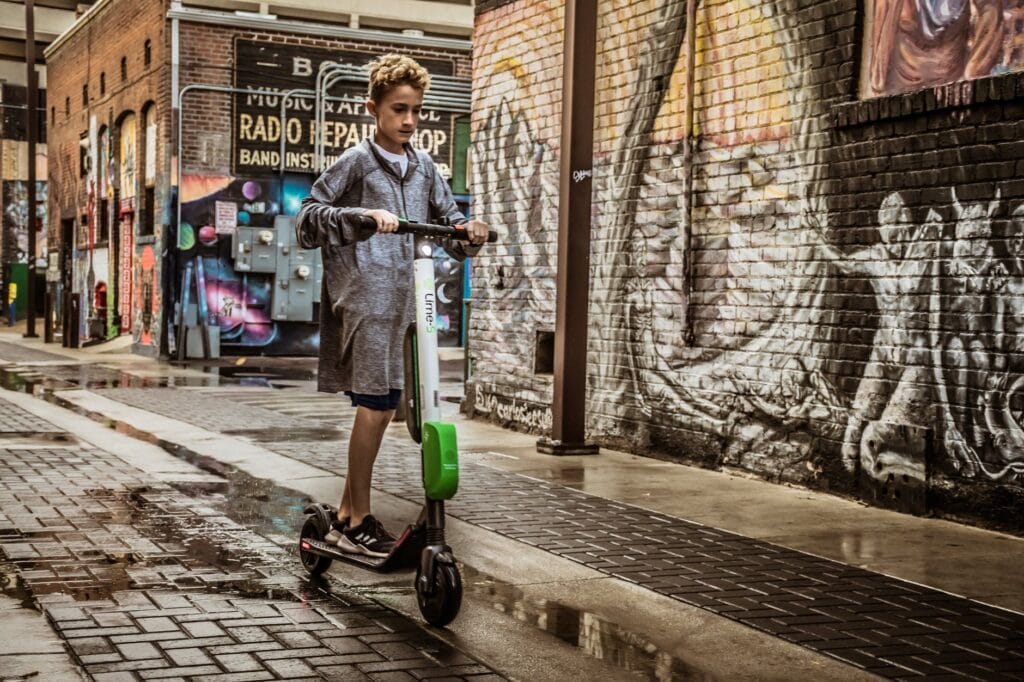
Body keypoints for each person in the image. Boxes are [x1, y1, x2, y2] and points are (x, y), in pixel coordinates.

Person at [295, 54, 489, 558]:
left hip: (410, 300)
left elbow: (449, 221)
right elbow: (308, 218)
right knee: (375, 408)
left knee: (396, 409)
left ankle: (341, 515)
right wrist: (363, 215)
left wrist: (470, 232)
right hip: (365, 295)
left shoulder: (424, 167)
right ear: (373, 109)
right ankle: (358, 519)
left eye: (416, 111)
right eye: (399, 109)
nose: (408, 120)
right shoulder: (356, 161)